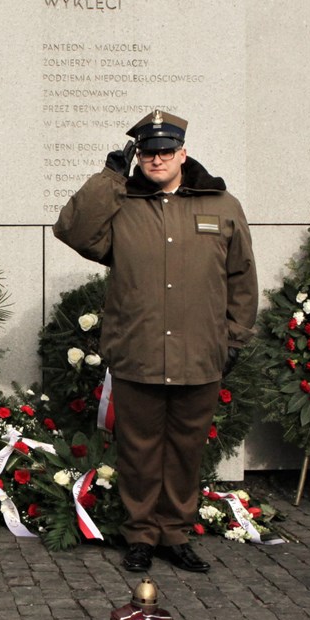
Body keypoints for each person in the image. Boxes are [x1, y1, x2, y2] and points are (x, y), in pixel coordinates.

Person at [53, 110, 257, 573]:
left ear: (183, 152)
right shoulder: (122, 202)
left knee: (186, 448)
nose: (157, 158)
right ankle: (141, 534)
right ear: (137, 156)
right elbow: (73, 230)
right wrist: (108, 177)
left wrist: (235, 339)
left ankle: (175, 535)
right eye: (147, 152)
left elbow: (242, 277)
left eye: (166, 150)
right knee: (140, 448)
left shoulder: (222, 204)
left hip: (200, 351)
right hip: (138, 350)